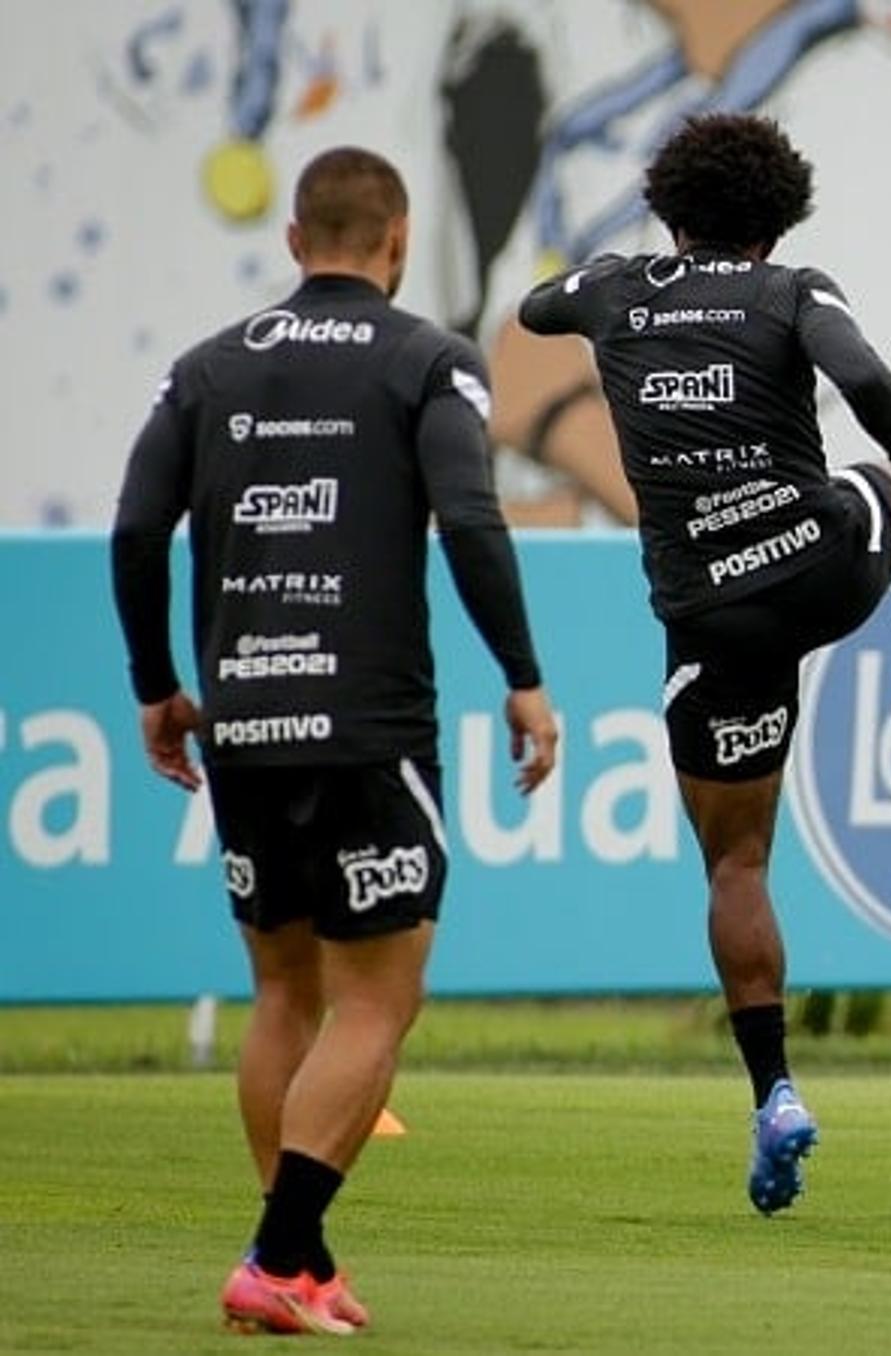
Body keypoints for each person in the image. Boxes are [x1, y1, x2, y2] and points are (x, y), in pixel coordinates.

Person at [515, 111, 891, 1215]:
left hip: (710, 621)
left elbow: (533, 306)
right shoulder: (793, 290)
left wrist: (616, 277)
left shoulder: (616, 291)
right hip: (819, 565)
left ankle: (776, 1093)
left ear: (670, 205)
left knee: (738, 869)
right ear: (781, 213)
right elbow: (868, 378)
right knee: (866, 472)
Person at [110, 146, 560, 1333]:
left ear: (296, 239)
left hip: (245, 718)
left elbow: (136, 528)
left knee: (282, 993)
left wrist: (158, 683)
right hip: (368, 725)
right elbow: (468, 516)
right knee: (376, 1000)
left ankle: (295, 1265)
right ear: (398, 241)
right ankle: (279, 1249)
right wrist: (522, 676)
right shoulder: (428, 361)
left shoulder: (204, 369)